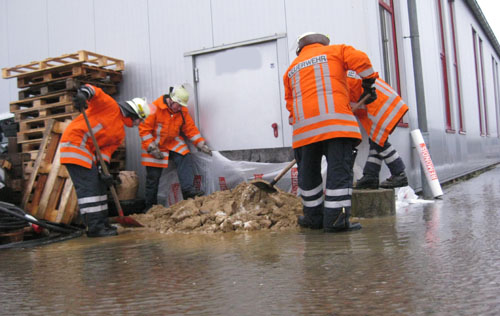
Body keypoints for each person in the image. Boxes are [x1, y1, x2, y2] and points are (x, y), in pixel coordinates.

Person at [283, 32, 379, 232]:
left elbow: (290, 105)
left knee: (308, 176)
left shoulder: (291, 70)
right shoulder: (337, 51)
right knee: (338, 172)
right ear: (323, 42)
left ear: (300, 49)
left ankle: (313, 219)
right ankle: (336, 222)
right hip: (337, 127)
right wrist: (368, 82)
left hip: (304, 132)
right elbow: (361, 61)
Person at [60, 84, 155, 237]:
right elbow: (94, 91)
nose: (139, 124)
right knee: (89, 189)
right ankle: (95, 228)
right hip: (75, 145)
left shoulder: (119, 132)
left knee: (99, 186)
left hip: (88, 154)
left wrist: (104, 172)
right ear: (134, 114)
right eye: (140, 120)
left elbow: (105, 153)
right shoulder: (109, 106)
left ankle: (102, 223)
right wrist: (84, 94)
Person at [139, 85, 212, 211]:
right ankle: (150, 207)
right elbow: (144, 130)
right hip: (156, 145)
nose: (180, 108)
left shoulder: (181, 111)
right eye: (178, 105)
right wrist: (151, 147)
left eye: (181, 105)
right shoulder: (154, 108)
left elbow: (190, 128)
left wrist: (200, 143)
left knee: (184, 155)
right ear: (170, 100)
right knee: (153, 177)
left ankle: (189, 191)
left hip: (173, 142)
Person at [346, 71, 409, 189]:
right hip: (382, 106)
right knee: (376, 142)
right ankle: (370, 176)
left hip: (380, 107)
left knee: (380, 143)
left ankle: (399, 173)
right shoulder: (345, 75)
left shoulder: (341, 80)